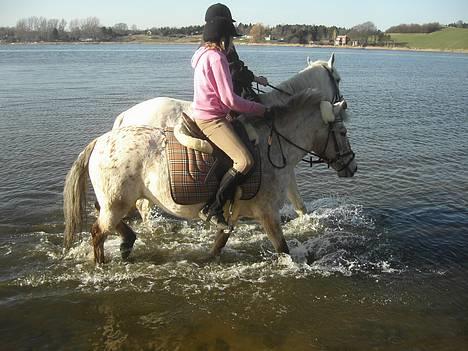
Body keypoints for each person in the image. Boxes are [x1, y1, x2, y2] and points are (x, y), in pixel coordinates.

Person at [191, 15, 266, 228]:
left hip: (206, 113)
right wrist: (260, 109)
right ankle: (213, 208)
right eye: (231, 39)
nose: (232, 43)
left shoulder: (202, 54)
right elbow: (230, 99)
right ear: (223, 39)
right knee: (245, 161)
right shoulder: (217, 57)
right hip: (212, 119)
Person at [204, 3, 268, 102]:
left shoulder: (205, 46)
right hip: (231, 91)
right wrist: (257, 79)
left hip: (212, 94)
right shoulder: (222, 48)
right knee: (259, 109)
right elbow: (236, 71)